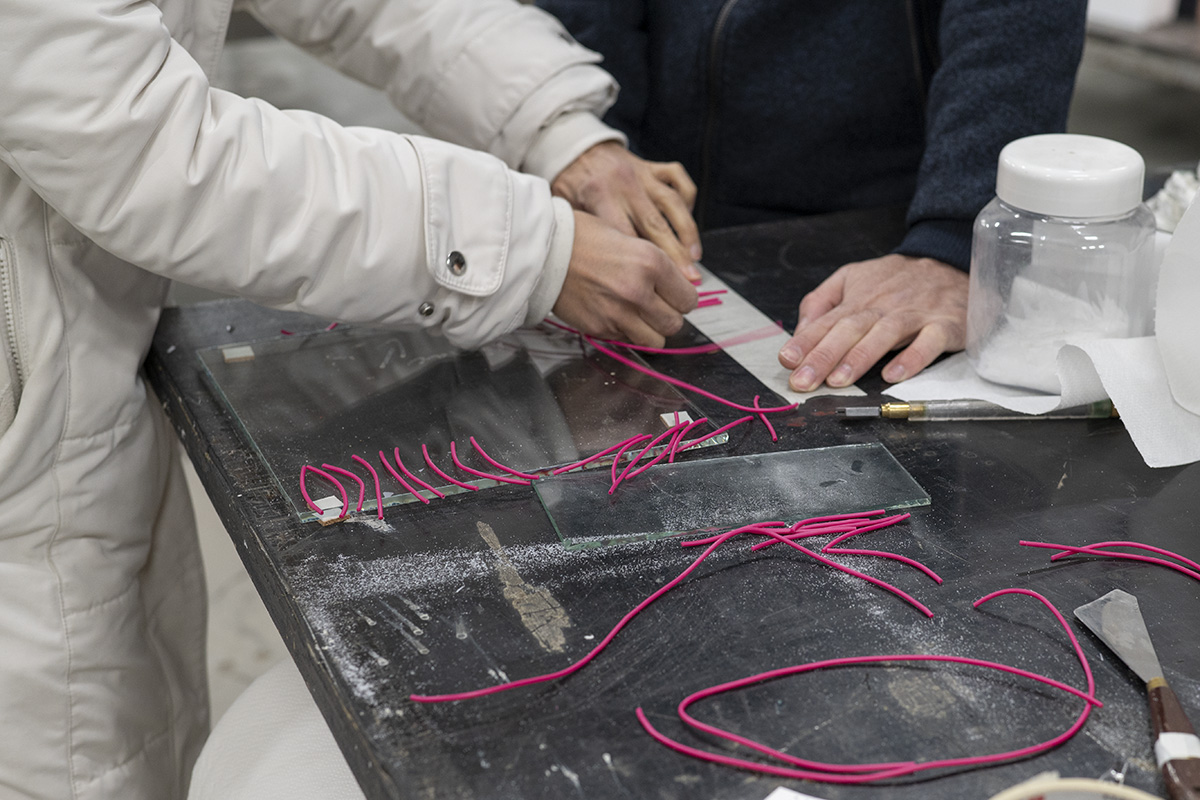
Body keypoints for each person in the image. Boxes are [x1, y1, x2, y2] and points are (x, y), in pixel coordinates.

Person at [0, 0, 701, 797]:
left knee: (120, 713)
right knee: (59, 740)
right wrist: (525, 246)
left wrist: (559, 127)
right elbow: (142, 148)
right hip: (27, 394)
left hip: (75, 351)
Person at [535, 0, 1088, 391]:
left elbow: (1013, 23)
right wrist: (588, 142)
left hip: (880, 244)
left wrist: (955, 232)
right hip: (657, 221)